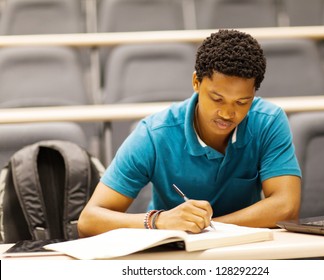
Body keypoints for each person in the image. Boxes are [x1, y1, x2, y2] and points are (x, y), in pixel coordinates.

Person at [78, 29, 301, 237]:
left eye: (242, 102)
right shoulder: (154, 134)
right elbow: (89, 221)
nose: (227, 113)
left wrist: (208, 227)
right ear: (196, 82)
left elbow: (286, 207)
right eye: (217, 99)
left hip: (244, 252)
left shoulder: (269, 122)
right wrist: (159, 221)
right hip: (175, 254)